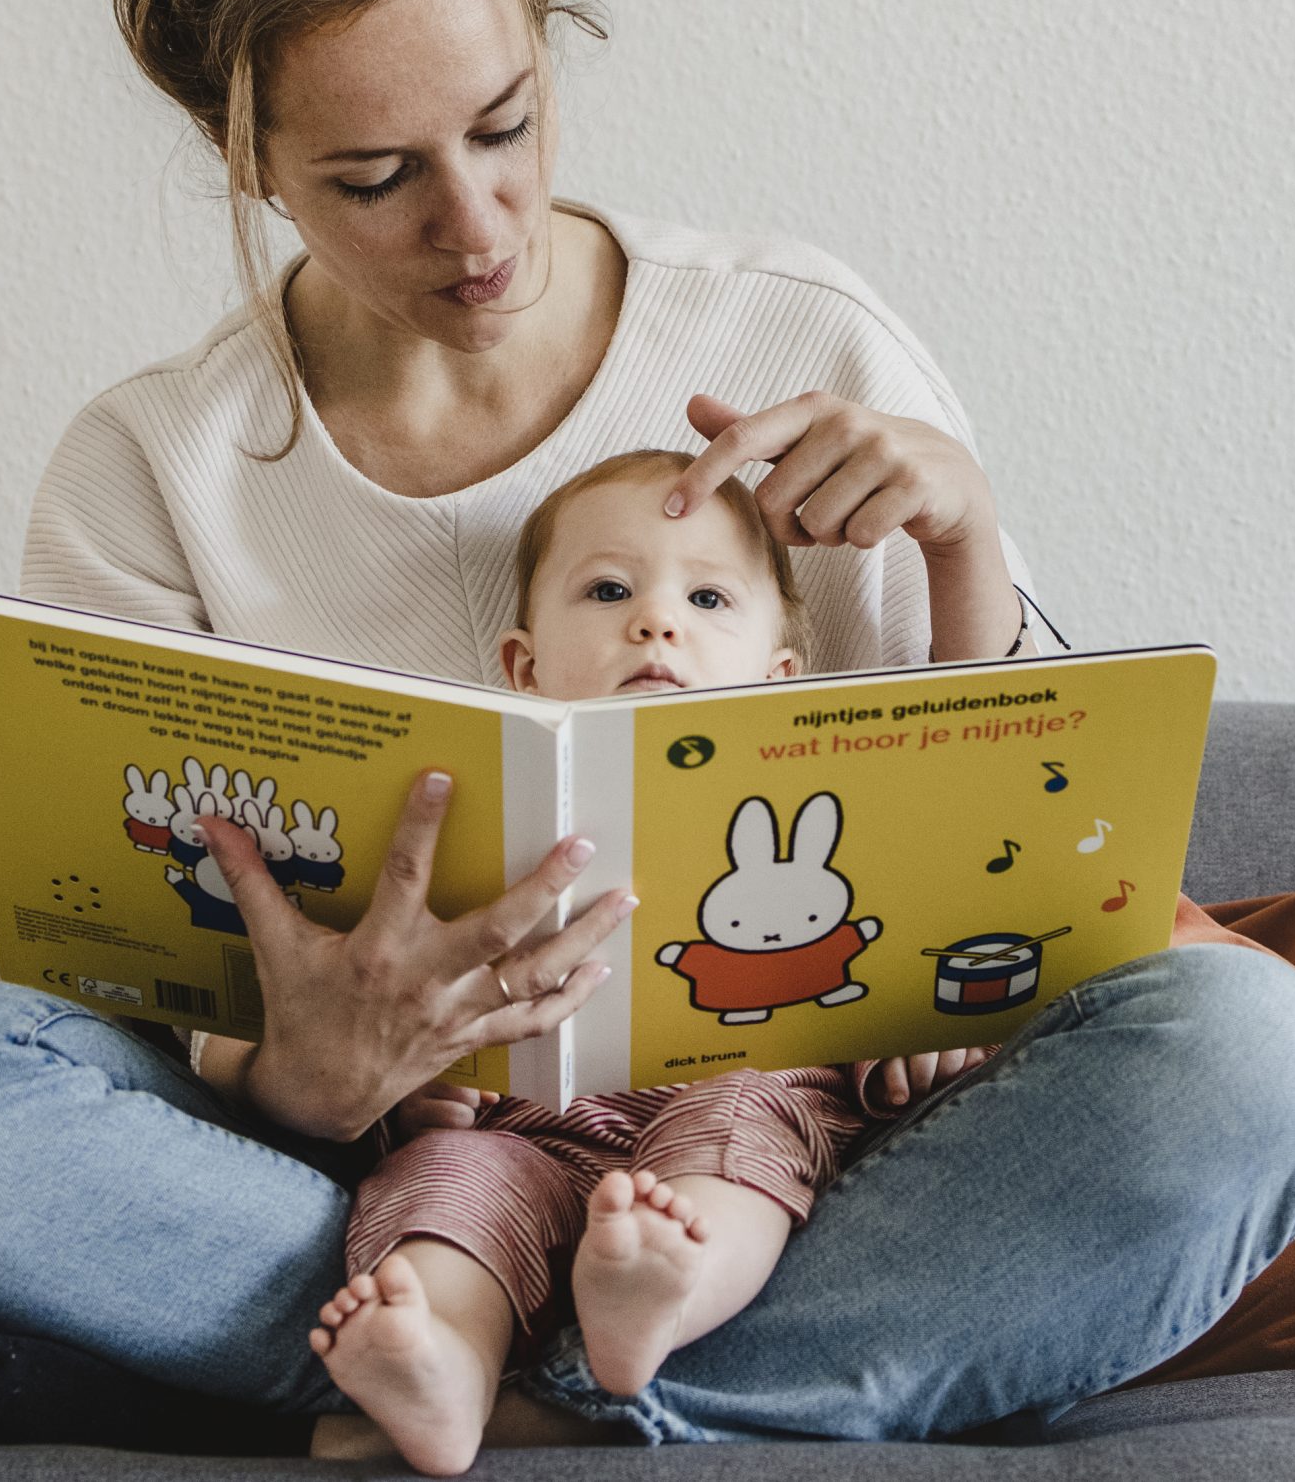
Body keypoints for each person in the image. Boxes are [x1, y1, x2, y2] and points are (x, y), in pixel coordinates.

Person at [0, 0, 1295, 1456]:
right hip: (359, 1175)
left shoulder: (795, 337)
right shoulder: (150, 468)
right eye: (376, 176)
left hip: (767, 1171)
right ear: (249, 162)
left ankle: (478, 1393)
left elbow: (1034, 867)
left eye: (506, 126)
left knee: (1255, 1054)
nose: (475, 225)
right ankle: (541, 1361)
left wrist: (963, 523)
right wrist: (312, 1071)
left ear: (548, 44)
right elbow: (150, 985)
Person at [295, 448, 992, 1474]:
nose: (656, 621)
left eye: (707, 598)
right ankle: (440, 1361)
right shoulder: (464, 828)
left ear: (777, 676)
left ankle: (658, 1298)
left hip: (738, 1099)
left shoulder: (840, 804)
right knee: (446, 1179)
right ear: (524, 666)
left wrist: (916, 1039)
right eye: (609, 590)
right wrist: (421, 1095)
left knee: (739, 1128)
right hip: (525, 1130)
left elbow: (897, 960)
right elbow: (410, 1010)